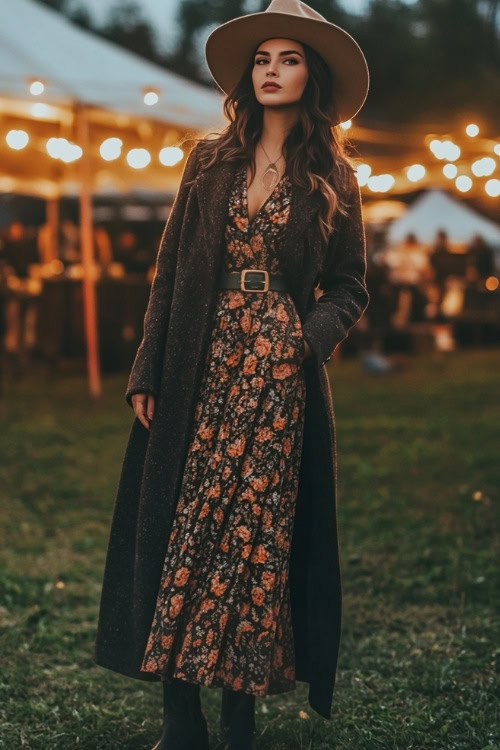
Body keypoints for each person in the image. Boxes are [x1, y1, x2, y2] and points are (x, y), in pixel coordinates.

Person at [93, 1, 370, 748]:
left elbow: (350, 285)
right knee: (186, 529)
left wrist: (304, 339)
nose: (273, 70)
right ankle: (182, 719)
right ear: (248, 76)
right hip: (198, 360)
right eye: (262, 59)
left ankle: (239, 716)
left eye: (289, 59)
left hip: (278, 375)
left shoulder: (334, 174)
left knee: (254, 540)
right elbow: (168, 274)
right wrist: (147, 367)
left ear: (311, 75)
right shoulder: (208, 161)